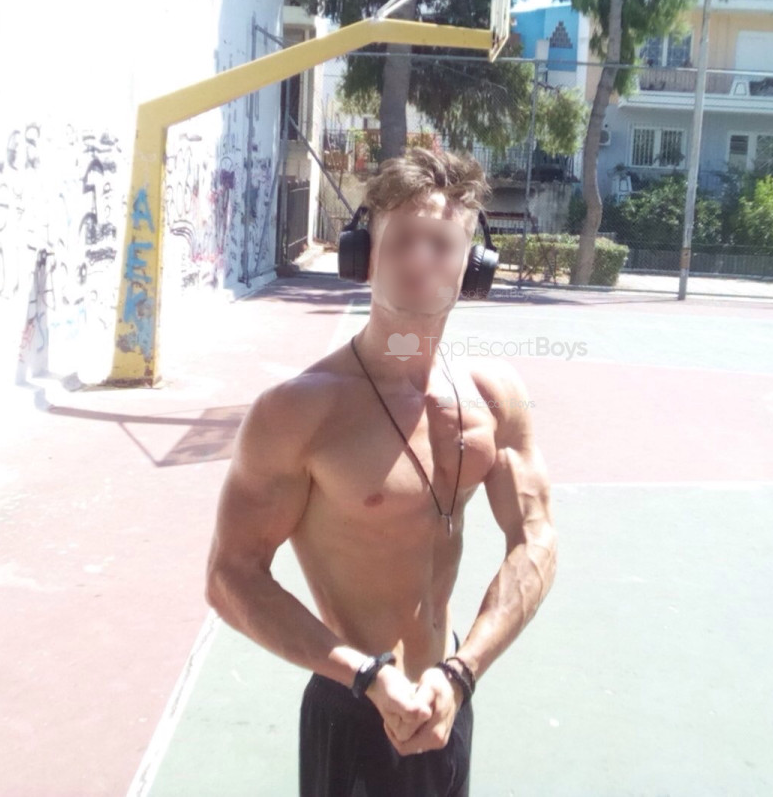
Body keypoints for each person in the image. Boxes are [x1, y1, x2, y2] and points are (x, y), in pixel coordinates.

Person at [204, 147, 559, 796]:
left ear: (474, 265)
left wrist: (463, 670)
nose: (421, 259)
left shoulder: (494, 397)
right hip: (352, 706)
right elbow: (231, 576)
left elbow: (535, 540)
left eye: (442, 244)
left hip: (449, 695)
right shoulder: (300, 410)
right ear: (365, 257)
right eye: (402, 241)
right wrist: (364, 675)